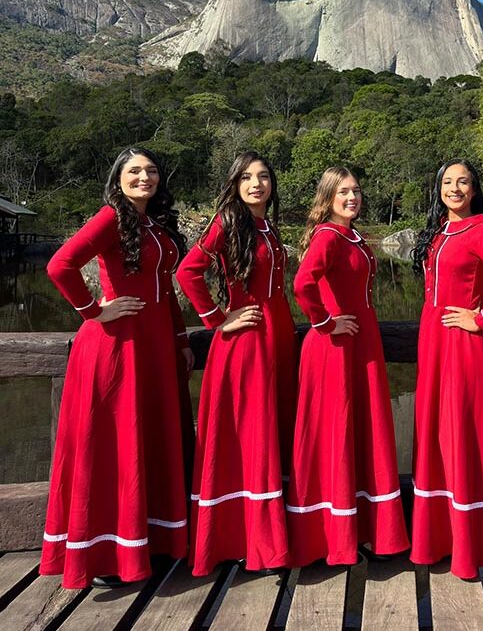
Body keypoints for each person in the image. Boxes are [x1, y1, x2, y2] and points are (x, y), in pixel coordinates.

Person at [42, 147, 192, 589]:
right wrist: (93, 310)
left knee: (150, 440)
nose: (144, 177)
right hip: (116, 349)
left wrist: (182, 340)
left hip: (156, 349)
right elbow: (60, 265)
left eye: (150, 170)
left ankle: (150, 544)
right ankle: (108, 555)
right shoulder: (111, 216)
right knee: (116, 445)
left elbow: (166, 288)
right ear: (118, 178)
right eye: (134, 171)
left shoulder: (156, 224)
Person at [176, 152, 297, 576]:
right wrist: (216, 319)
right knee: (251, 434)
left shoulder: (267, 225)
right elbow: (188, 271)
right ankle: (246, 540)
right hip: (245, 341)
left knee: (272, 429)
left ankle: (269, 534)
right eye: (246, 177)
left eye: (264, 177)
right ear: (235, 183)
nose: (256, 184)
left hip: (278, 337)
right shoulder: (229, 221)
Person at [287, 167, 409, 565]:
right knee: (337, 433)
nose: (353, 197)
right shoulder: (328, 236)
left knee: (361, 431)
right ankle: (333, 538)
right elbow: (303, 284)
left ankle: (361, 532)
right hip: (336, 349)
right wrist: (325, 322)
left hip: (360, 345)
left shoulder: (349, 235)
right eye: (343, 192)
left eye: (356, 190)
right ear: (328, 197)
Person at [410, 160, 483, 579]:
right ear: (438, 187)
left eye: (464, 182)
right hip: (434, 341)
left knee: (463, 432)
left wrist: (481, 317)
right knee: (438, 431)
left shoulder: (480, 229)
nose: (455, 188)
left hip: (465, 344)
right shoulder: (440, 229)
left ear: (475, 190)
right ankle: (440, 537)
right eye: (447, 182)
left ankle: (478, 543)